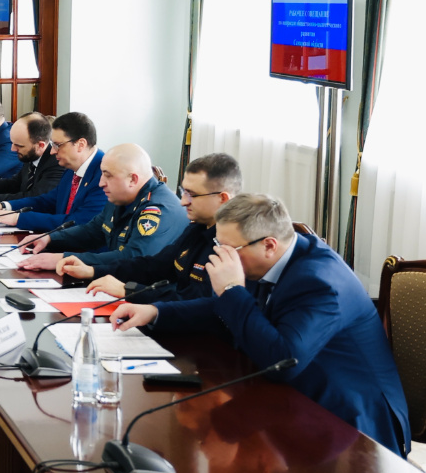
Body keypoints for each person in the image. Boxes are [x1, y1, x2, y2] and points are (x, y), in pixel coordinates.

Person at [111, 194, 410, 457]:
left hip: (349, 423)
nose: (220, 257)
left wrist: (231, 290)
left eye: (229, 249)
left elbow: (283, 361)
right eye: (218, 245)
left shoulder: (319, 282)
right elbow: (222, 309)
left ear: (268, 245)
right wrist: (155, 311)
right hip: (292, 398)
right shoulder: (270, 260)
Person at [60, 152, 243, 301]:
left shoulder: (232, 245)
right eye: (183, 192)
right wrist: (93, 271)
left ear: (222, 199)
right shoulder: (197, 228)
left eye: (192, 194)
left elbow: (196, 301)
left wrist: (129, 290)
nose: (183, 202)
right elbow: (154, 266)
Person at [12, 143, 184, 271]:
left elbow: (133, 258)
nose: (101, 183)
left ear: (133, 179)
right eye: (102, 174)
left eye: (108, 176)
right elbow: (93, 230)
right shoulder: (121, 196)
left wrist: (64, 258)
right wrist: (49, 239)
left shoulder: (157, 210)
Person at [0, 111, 106, 231]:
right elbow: (47, 201)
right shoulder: (72, 167)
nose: (52, 151)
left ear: (80, 145)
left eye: (57, 145)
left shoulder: (104, 173)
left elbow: (79, 222)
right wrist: (3, 206)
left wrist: (18, 219)